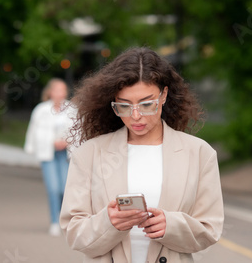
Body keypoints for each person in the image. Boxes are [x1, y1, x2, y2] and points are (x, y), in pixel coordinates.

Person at [60, 47, 224, 262]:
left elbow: (210, 229)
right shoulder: (89, 154)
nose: (135, 116)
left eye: (146, 104)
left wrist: (171, 226)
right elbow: (73, 233)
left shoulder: (199, 153)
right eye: (124, 106)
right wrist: (108, 223)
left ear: (164, 95)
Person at [24, 78, 77, 236]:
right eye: (57, 90)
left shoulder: (72, 109)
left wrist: (66, 141)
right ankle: (54, 222)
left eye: (63, 90)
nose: (61, 93)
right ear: (50, 92)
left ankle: (63, 218)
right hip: (48, 153)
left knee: (64, 189)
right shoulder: (41, 110)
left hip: (65, 154)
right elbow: (35, 131)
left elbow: (78, 130)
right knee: (53, 188)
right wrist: (48, 143)